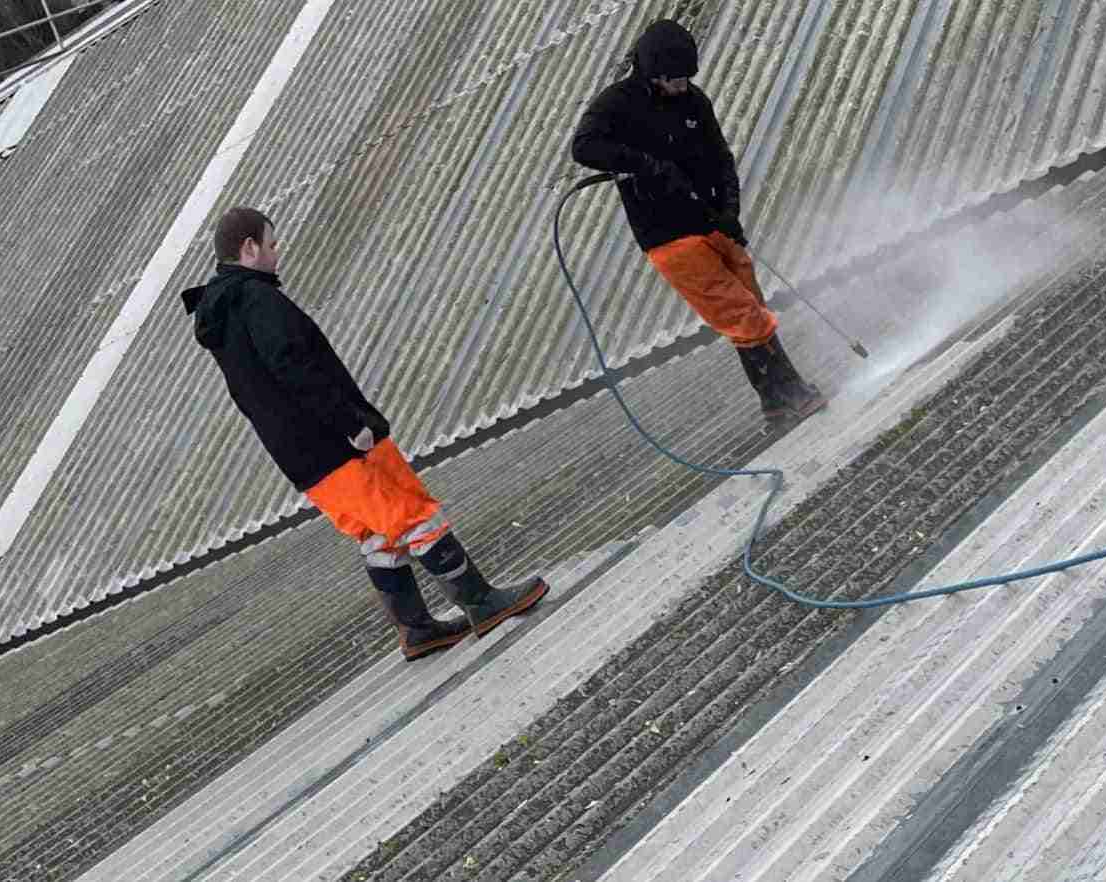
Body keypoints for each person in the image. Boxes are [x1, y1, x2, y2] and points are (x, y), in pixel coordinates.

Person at [180, 207, 547, 661]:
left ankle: (417, 629)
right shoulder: (256, 299)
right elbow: (297, 369)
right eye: (272, 244)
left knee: (377, 533)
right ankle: (481, 603)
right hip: (335, 443)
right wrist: (351, 423)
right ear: (249, 248)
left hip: (301, 459)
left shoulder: (222, 317)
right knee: (413, 516)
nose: (278, 252)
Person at [571, 18, 825, 425]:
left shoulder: (693, 102)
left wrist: (730, 210)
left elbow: (721, 157)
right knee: (743, 315)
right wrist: (645, 164)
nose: (683, 87)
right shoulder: (616, 104)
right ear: (652, 73)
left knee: (752, 309)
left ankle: (775, 405)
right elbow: (583, 147)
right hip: (668, 235)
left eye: (687, 78)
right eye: (675, 80)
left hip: (711, 221)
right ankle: (794, 393)